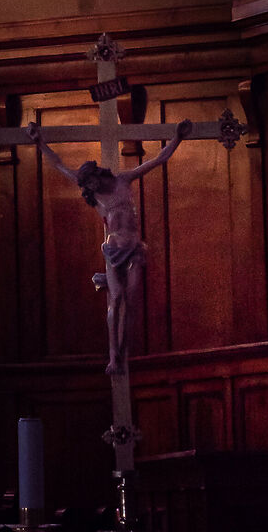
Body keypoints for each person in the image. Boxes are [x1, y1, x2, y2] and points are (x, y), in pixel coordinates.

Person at [33, 121, 191, 376]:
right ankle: (113, 356)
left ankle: (123, 348)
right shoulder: (92, 194)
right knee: (116, 299)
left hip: (134, 248)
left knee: (132, 297)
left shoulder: (122, 181)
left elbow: (157, 161)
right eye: (87, 186)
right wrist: (39, 143)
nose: (90, 188)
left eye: (92, 183)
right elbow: (59, 164)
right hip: (114, 249)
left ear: (98, 175)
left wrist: (178, 139)